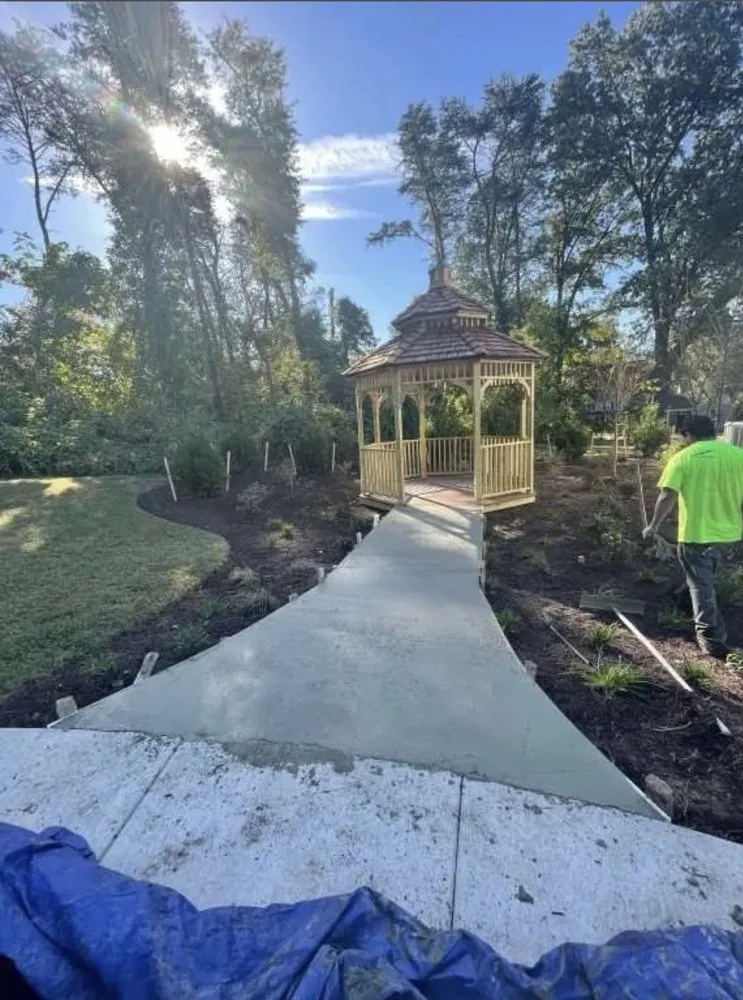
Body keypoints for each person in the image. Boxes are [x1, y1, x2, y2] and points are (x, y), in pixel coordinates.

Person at [643, 415, 743, 659]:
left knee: (702, 586)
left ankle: (711, 639)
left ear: (689, 435)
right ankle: (699, 607)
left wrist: (653, 526)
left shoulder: (683, 459)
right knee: (712, 579)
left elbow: (667, 496)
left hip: (697, 536)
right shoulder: (738, 456)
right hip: (731, 535)